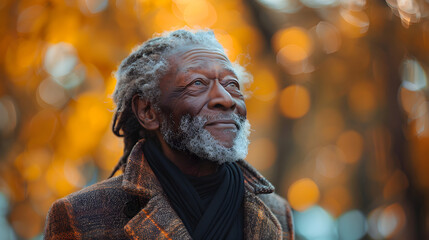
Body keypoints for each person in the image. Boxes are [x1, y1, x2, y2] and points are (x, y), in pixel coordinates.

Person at [44, 29, 294, 240]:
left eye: (232, 84)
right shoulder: (80, 217)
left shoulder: (277, 212)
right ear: (148, 111)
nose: (226, 100)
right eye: (197, 83)